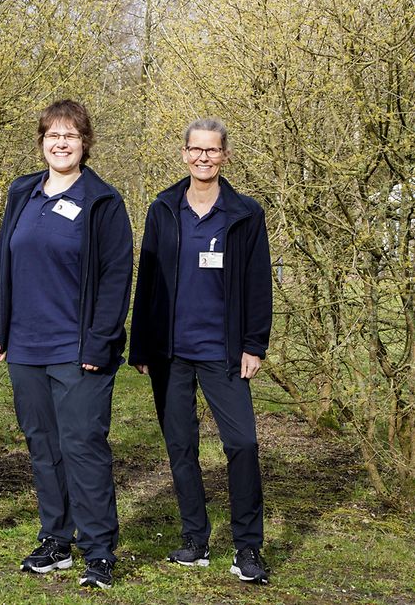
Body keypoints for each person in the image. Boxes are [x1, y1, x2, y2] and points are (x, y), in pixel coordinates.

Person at [0, 100, 132, 589]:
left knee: (83, 446)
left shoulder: (102, 201)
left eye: (70, 135)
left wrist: (99, 343)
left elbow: (115, 279)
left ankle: (99, 550)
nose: (61, 143)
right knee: (43, 446)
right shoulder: (22, 192)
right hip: (25, 347)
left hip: (78, 349)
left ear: (84, 142)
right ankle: (56, 540)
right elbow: (3, 263)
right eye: (53, 135)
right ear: (42, 142)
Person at [129, 118, 272, 584]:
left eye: (212, 151)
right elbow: (146, 280)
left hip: (224, 351)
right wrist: (142, 344)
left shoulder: (246, 214)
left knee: (243, 444)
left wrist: (254, 344)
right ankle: (195, 539)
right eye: (196, 150)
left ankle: (248, 548)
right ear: (185, 154)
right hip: (170, 352)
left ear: (224, 156)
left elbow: (257, 283)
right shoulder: (163, 208)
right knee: (181, 446)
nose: (204, 158)